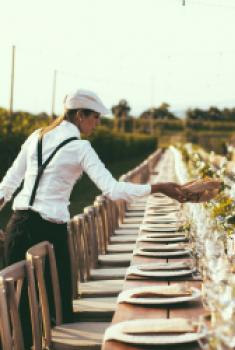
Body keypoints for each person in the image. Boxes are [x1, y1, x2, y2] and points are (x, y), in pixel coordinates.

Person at [0, 89, 186, 343]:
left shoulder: (36, 137)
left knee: (17, 312)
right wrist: (159, 188)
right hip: (50, 233)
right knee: (58, 314)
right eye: (95, 117)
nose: (97, 123)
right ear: (79, 115)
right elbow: (113, 190)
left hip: (18, 226)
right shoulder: (80, 147)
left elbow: (8, 184)